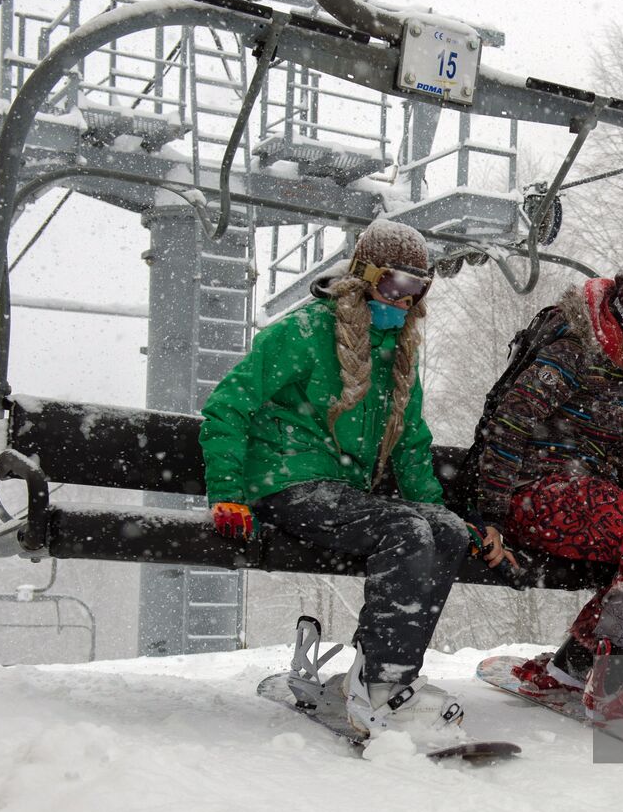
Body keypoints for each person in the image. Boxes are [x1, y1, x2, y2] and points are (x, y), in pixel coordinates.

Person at [199, 220, 472, 738]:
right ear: (365, 277)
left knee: (445, 533)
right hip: (286, 482)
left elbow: (410, 443)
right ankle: (380, 688)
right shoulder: (302, 333)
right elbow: (228, 405)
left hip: (342, 492)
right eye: (396, 285)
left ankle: (384, 679)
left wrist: (440, 511)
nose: (406, 300)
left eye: (418, 289)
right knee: (406, 531)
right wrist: (228, 494)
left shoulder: (399, 356)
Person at [467, 265, 623, 719]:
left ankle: (573, 669)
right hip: (536, 492)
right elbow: (508, 426)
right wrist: (492, 516)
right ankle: (615, 679)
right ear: (617, 320)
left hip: (585, 500)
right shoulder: (572, 353)